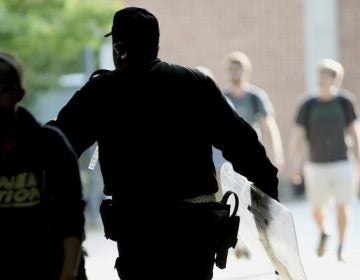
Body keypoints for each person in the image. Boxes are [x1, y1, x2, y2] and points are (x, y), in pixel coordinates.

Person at [51, 7, 278, 280]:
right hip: (194, 232)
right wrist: (270, 197)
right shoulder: (195, 83)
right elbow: (243, 145)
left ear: (118, 48)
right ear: (156, 44)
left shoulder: (102, 91)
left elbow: (56, 146)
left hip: (138, 232)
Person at [0, 51, 85, 279]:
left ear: (19, 94)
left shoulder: (50, 145)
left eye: (2, 89)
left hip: (47, 268)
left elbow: (72, 218)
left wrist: (68, 273)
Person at [289, 58, 359, 261]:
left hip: (342, 162)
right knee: (317, 208)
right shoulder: (308, 104)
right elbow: (298, 136)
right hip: (315, 165)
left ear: (334, 78)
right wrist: (296, 165)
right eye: (319, 74)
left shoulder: (345, 102)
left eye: (325, 75)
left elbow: (355, 132)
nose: (321, 79)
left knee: (342, 205)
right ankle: (324, 231)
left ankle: (341, 247)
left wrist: (359, 160)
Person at [222, 52, 284, 170]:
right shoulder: (221, 97)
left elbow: (269, 126)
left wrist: (277, 153)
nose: (235, 71)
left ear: (246, 70)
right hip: (228, 160)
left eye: (238, 67)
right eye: (231, 68)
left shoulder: (256, 96)